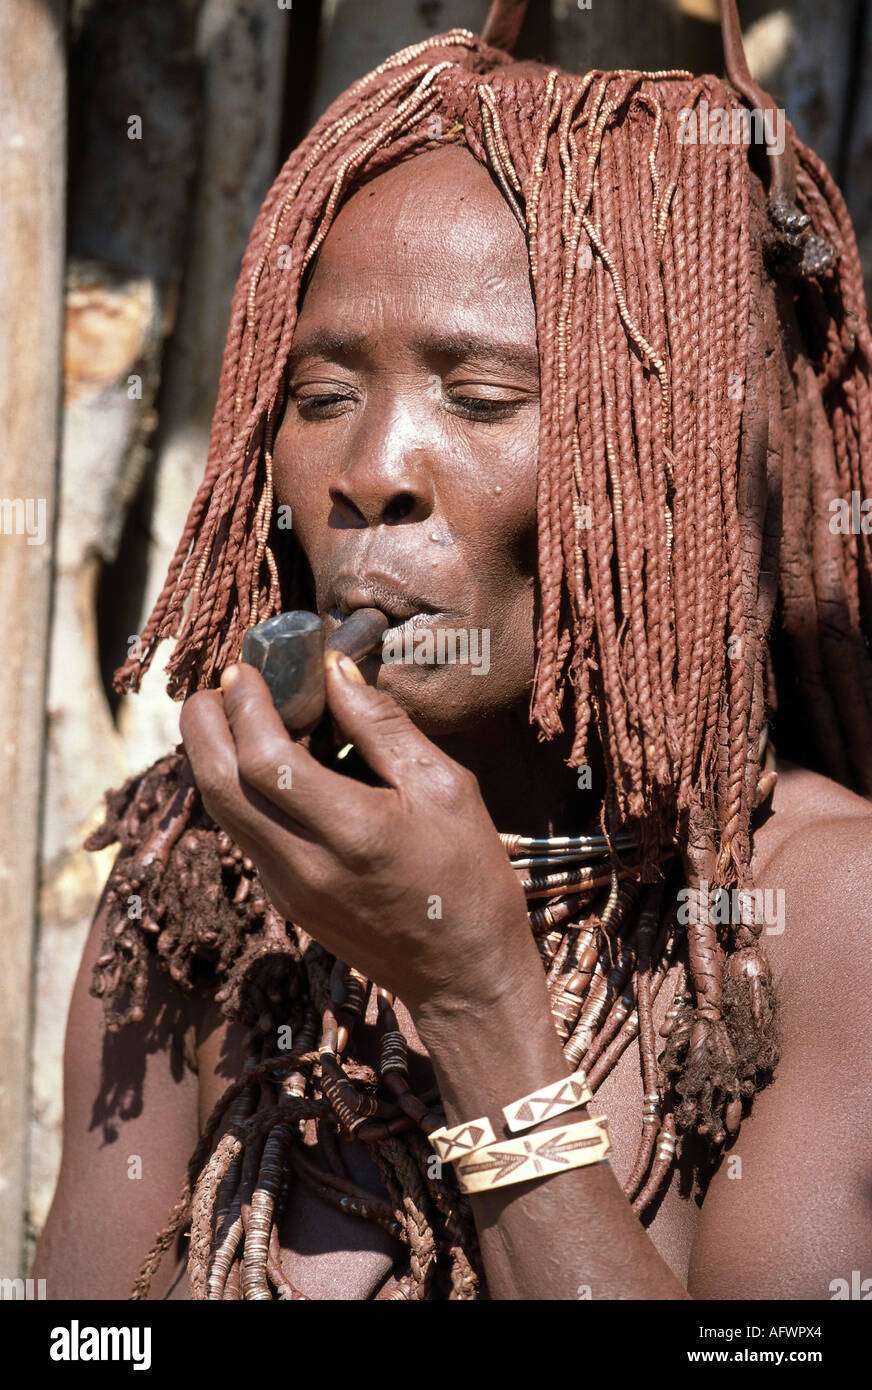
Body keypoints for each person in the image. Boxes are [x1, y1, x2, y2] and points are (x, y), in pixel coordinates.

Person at [33, 11, 872, 1300]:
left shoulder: (818, 918)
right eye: (320, 399)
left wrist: (480, 1005)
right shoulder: (199, 871)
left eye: (480, 400)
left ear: (673, 467)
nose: (370, 477)